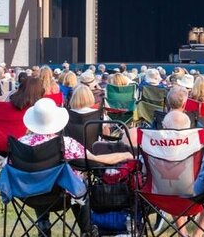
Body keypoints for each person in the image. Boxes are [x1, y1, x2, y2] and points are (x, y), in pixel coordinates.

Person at [18, 98, 134, 237]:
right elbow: (97, 160)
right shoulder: (66, 144)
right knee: (77, 184)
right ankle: (87, 230)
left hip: (26, 195)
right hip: (61, 197)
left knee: (40, 178)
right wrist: (125, 155)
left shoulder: (20, 144)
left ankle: (43, 223)